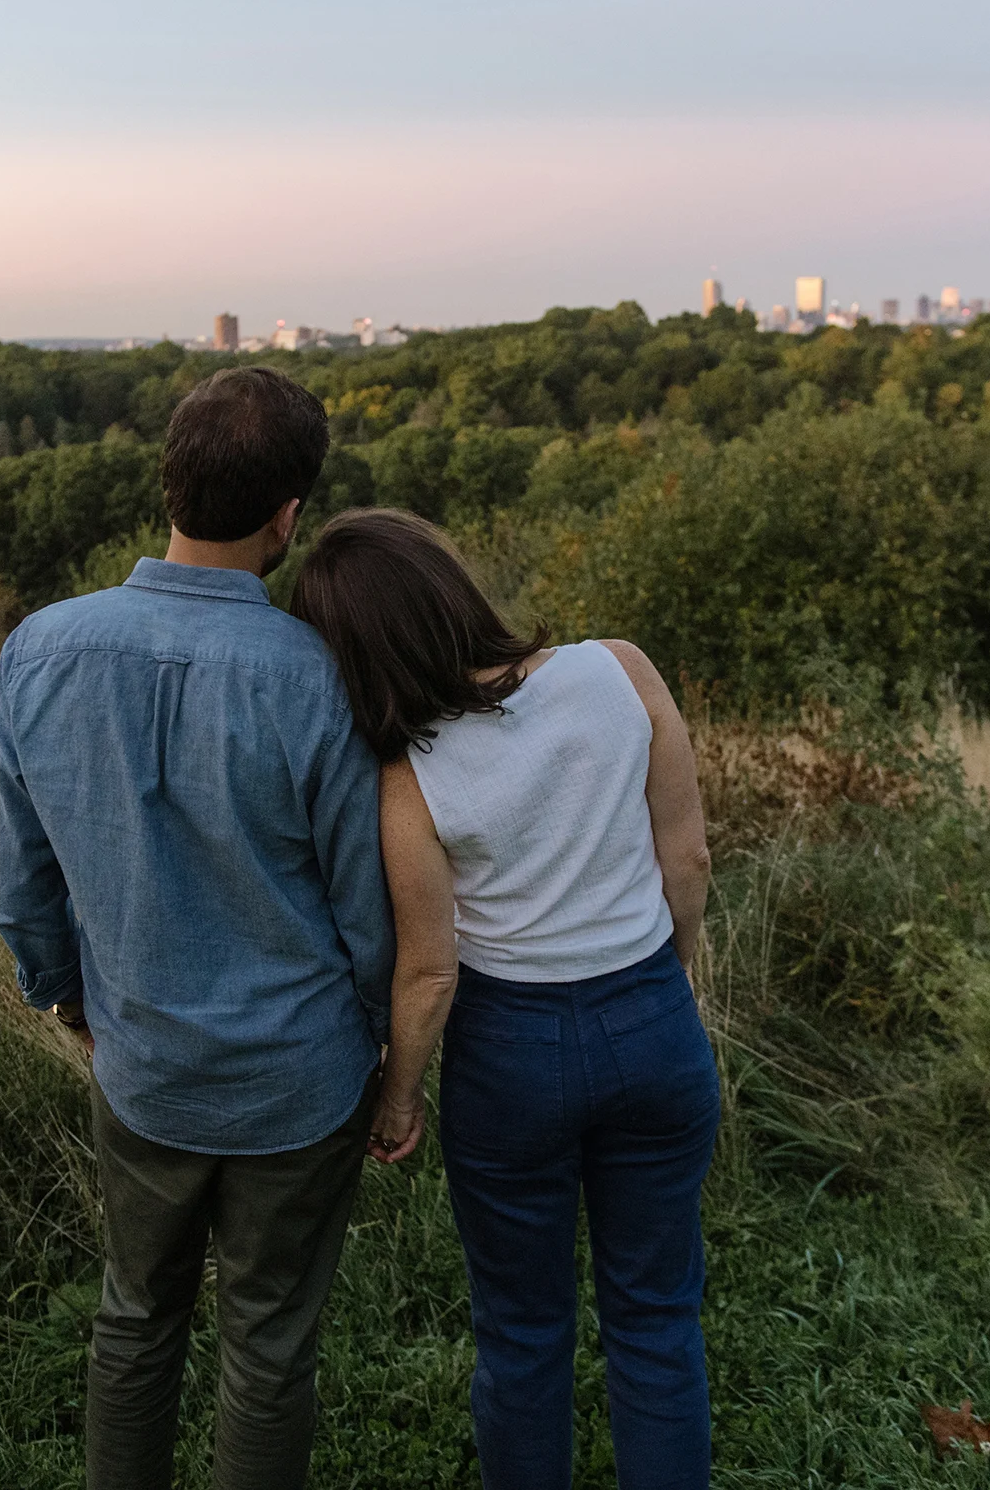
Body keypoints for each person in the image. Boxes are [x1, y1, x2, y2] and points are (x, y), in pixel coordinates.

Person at [0, 368, 395, 1490]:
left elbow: (21, 885)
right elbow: (367, 909)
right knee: (267, 1348)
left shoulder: (38, 650)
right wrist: (374, 1048)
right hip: (299, 1083)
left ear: (168, 482)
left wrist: (65, 997)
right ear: (289, 515)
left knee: (134, 1317)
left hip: (145, 1065)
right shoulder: (317, 676)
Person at [291, 507, 720, 1490]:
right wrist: (667, 984)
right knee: (656, 1318)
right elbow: (686, 854)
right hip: (648, 1009)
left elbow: (429, 968)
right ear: (451, 583)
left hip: (510, 1052)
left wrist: (397, 1097)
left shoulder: (408, 772)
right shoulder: (619, 668)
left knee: (523, 1335)